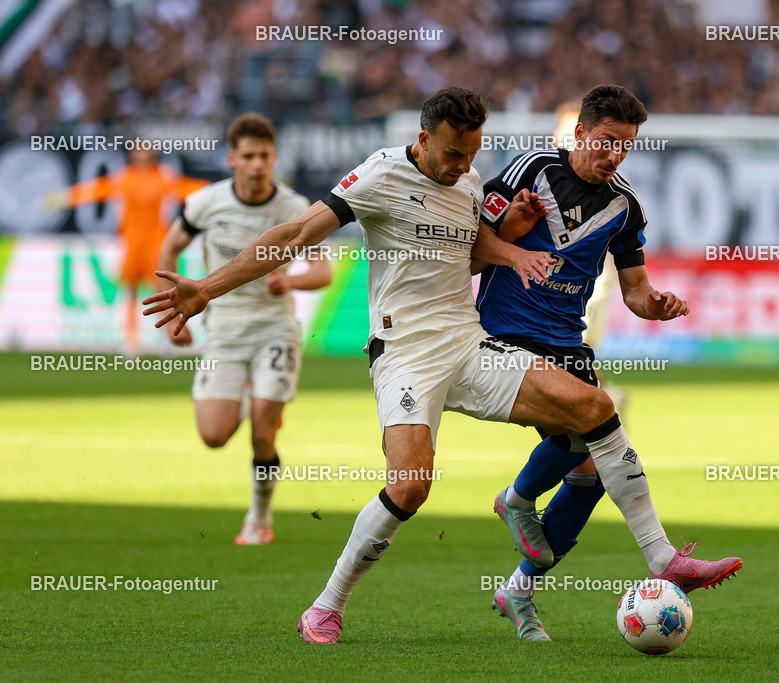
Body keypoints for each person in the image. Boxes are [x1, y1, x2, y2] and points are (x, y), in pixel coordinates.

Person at [142, 87, 738, 645]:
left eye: (471, 154)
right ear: (424, 139)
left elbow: (472, 250)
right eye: (453, 153)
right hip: (403, 353)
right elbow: (294, 232)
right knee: (411, 485)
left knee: (595, 406)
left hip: (469, 342)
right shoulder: (379, 175)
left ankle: (663, 557)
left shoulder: (473, 180)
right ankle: (327, 604)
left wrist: (513, 238)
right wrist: (207, 289)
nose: (461, 166)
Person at [473, 85, 742, 641]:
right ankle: (537, 507)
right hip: (507, 333)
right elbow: (471, 246)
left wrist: (657, 306)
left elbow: (636, 291)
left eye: (626, 145)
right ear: (580, 133)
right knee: (600, 417)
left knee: (592, 474)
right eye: (606, 141)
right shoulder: (529, 170)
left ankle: (519, 587)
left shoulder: (626, 207)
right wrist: (511, 236)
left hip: (568, 342)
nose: (615, 154)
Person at [156, 113, 332, 545]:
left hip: (274, 328)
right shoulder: (205, 202)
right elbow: (170, 247)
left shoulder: (294, 208)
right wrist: (174, 313)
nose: (258, 164)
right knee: (214, 435)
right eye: (249, 156)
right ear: (232, 158)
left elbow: (323, 273)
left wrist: (289, 280)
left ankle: (259, 515)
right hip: (222, 330)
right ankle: (249, 401)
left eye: (265, 156)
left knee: (261, 429)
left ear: (274, 158)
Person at [59, 146, 208, 351]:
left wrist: (216, 190)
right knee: (130, 291)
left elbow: (186, 187)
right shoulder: (125, 177)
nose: (142, 155)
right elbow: (98, 190)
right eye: (138, 150)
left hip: (156, 244)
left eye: (146, 150)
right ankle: (131, 340)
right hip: (132, 244)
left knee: (164, 293)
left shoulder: (162, 175)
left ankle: (168, 336)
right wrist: (67, 197)